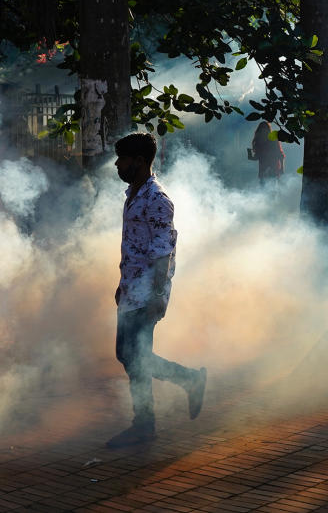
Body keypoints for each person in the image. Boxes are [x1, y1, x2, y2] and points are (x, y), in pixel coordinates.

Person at [107, 132, 206, 449]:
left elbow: (163, 254)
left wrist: (154, 297)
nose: (118, 164)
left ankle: (144, 425)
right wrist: (122, 286)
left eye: (122, 159)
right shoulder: (133, 194)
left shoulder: (157, 201)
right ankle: (188, 379)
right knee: (129, 354)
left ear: (138, 161)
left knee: (135, 358)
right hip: (132, 289)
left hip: (147, 291)